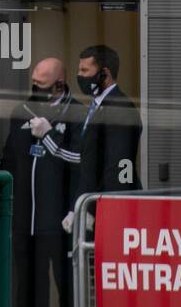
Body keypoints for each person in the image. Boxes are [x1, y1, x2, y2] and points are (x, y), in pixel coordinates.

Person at [0, 57, 80, 307]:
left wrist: (50, 136)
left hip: (60, 221)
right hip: (25, 221)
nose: (34, 90)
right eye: (32, 83)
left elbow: (81, 163)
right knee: (27, 293)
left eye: (40, 86)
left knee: (68, 291)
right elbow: (9, 160)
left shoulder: (79, 114)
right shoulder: (21, 113)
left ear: (59, 84)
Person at [38, 44, 143, 236]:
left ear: (104, 73)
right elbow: (87, 162)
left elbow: (119, 165)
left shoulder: (119, 108)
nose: (80, 76)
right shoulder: (96, 106)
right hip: (93, 203)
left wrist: (98, 208)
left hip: (111, 209)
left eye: (85, 70)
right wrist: (77, 206)